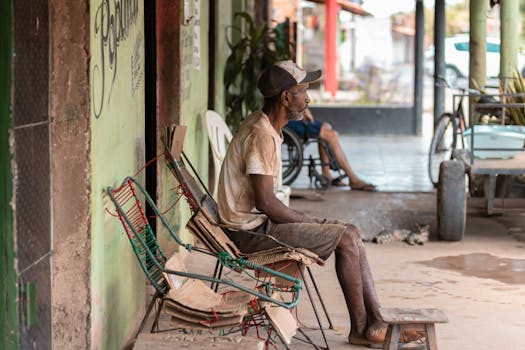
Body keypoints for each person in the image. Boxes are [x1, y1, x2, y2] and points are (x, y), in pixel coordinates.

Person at [216, 60, 388, 346]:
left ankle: (376, 320)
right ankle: (360, 328)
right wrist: (311, 222)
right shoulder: (261, 134)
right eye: (303, 92)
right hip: (249, 233)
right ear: (286, 97)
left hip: (257, 223)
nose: (307, 99)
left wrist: (311, 221)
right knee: (345, 238)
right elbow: (267, 203)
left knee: (352, 232)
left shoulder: (266, 127)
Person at [286, 109, 377, 191]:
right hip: (288, 121)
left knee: (327, 126)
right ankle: (353, 179)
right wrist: (303, 109)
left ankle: (326, 173)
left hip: (293, 116)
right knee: (331, 135)